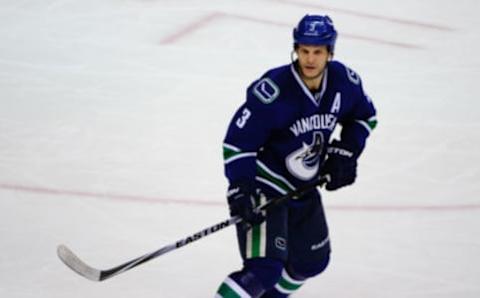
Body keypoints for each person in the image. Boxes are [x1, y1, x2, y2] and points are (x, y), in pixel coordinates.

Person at [215, 14, 377, 297]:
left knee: (311, 262)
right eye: (304, 50)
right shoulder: (274, 90)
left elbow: (365, 117)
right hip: (267, 186)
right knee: (264, 269)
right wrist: (241, 187)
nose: (310, 59)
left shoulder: (344, 82)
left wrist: (347, 150)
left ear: (330, 53)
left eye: (317, 52)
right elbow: (237, 143)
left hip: (304, 189)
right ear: (296, 49)